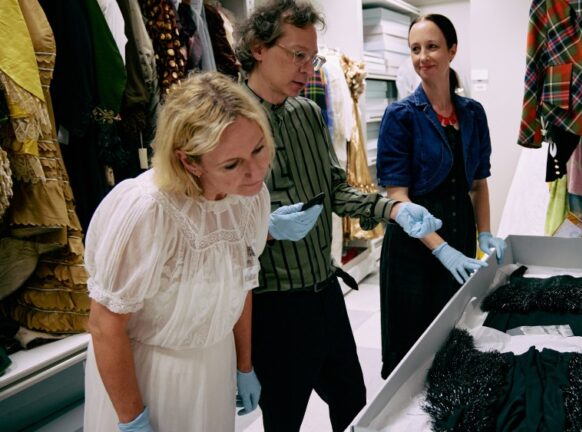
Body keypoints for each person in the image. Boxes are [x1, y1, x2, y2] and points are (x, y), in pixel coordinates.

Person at [233, 1, 442, 431]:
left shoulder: (308, 113)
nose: (308, 68)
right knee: (283, 416)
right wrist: (263, 228)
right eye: (297, 55)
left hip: (325, 293)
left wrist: (394, 209)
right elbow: (209, 220)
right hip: (271, 304)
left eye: (312, 57)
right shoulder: (226, 121)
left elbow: (336, 190)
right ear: (257, 47)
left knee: (353, 402)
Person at [83, 72, 276, 431]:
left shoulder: (249, 198)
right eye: (231, 164)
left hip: (215, 365)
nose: (255, 172)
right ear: (189, 162)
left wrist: (244, 365)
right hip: (151, 375)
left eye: (259, 148)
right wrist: (132, 418)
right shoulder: (147, 210)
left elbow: (240, 283)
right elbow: (105, 324)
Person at [376, 14, 507, 379]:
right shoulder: (400, 116)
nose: (422, 57)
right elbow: (397, 197)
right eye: (415, 49)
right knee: (412, 351)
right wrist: (440, 248)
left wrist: (484, 234)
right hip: (414, 245)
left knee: (452, 337)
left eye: (431, 46)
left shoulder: (472, 113)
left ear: (452, 50)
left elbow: (479, 184)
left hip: (461, 234)